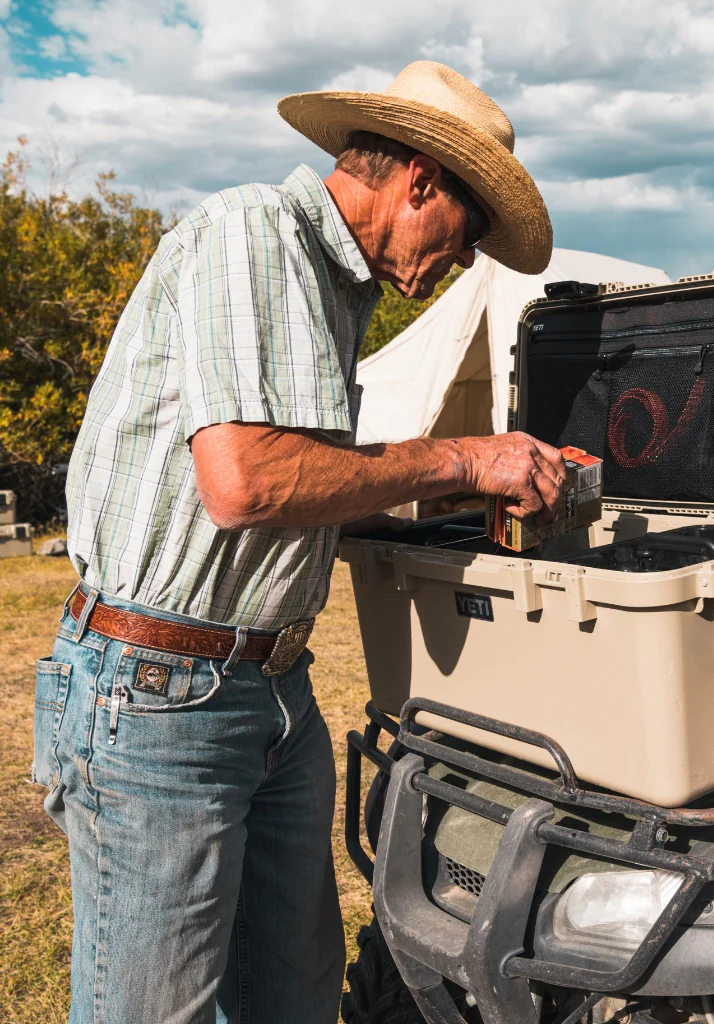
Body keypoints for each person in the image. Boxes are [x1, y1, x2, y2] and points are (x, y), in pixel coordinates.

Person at [34, 60, 564, 1023]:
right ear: (420, 182)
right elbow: (248, 481)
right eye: (470, 230)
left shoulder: (337, 289)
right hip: (156, 697)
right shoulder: (254, 234)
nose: (466, 257)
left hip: (269, 693)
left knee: (292, 996)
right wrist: (462, 459)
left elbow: (307, 488)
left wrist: (471, 490)